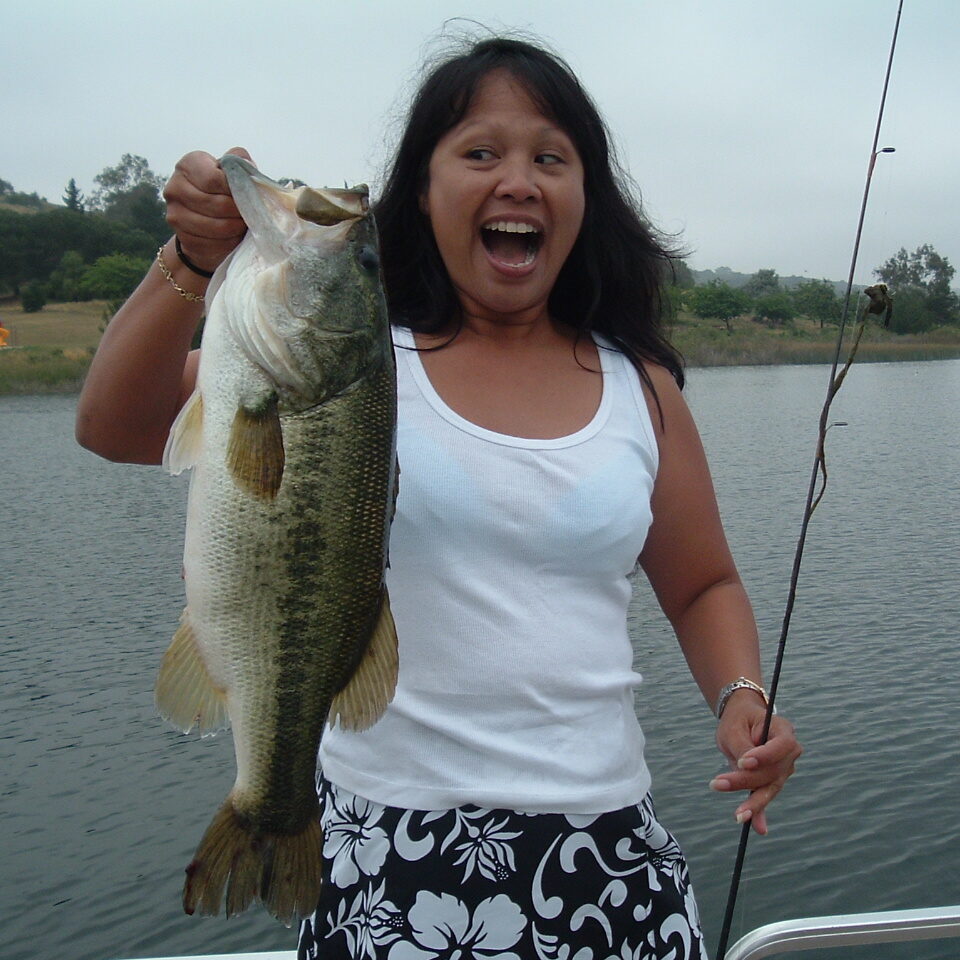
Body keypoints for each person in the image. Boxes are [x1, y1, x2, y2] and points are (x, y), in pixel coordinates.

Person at [76, 36, 800, 960]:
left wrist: (743, 696)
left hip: (608, 852)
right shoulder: (350, 366)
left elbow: (703, 586)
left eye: (551, 157)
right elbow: (112, 424)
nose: (518, 181)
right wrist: (189, 258)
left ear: (587, 197)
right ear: (422, 188)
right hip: (385, 849)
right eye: (480, 153)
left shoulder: (642, 388)